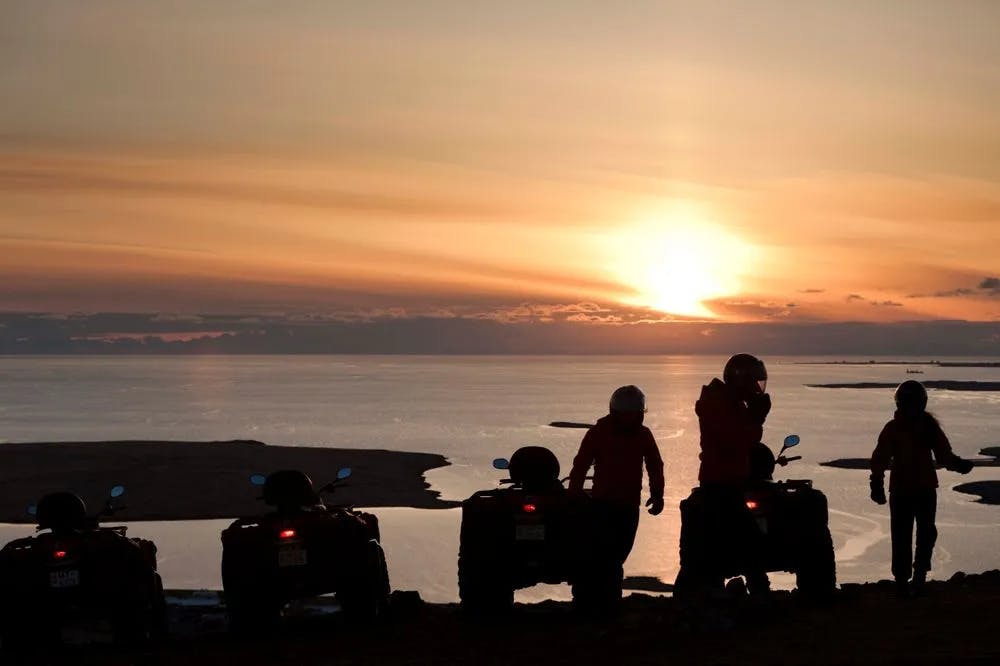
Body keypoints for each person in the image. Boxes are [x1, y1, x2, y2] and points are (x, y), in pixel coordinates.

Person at [870, 380, 974, 597]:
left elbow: (944, 455)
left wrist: (959, 465)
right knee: (906, 535)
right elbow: (880, 458)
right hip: (907, 491)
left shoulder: (925, 427)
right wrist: (876, 483)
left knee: (920, 534)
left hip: (919, 489)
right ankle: (904, 580)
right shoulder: (896, 428)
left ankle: (915, 577)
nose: (911, 406)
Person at [568, 385, 665, 601]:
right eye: (629, 415)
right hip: (604, 505)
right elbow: (581, 465)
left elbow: (654, 465)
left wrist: (658, 494)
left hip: (626, 505)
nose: (633, 419)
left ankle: (600, 598)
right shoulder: (599, 433)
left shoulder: (640, 435)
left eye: (636, 415)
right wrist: (574, 494)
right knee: (606, 556)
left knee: (615, 555)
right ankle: (599, 598)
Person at [692, 353, 772, 596]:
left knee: (740, 538)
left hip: (731, 479)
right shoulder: (720, 404)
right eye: (754, 383)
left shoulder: (730, 402)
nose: (757, 389)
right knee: (740, 539)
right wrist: (757, 419)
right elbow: (738, 439)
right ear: (741, 381)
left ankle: (749, 591)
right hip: (721, 482)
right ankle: (751, 593)